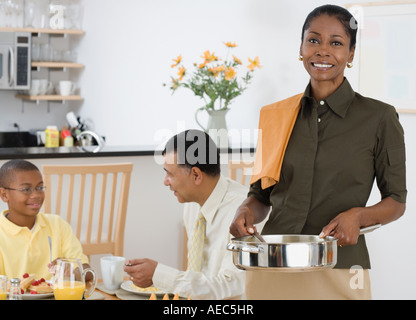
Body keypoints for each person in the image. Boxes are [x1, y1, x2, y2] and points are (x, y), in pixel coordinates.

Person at [230, 4, 406, 300]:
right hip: (272, 266)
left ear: (350, 55)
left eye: (336, 43)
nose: (323, 51)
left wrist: (358, 216)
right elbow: (261, 196)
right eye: (313, 40)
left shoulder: (380, 118)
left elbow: (396, 202)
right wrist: (244, 211)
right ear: (301, 48)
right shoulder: (275, 116)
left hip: (340, 268)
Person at [124, 129, 246, 299]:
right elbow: (198, 276)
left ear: (196, 175)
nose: (165, 181)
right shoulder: (193, 204)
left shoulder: (243, 215)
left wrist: (159, 275)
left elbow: (230, 289)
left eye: (170, 173)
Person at [0, 159, 91, 280]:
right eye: (26, 189)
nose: (36, 195)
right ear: (4, 195)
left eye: (40, 188)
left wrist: (73, 273)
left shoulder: (57, 224)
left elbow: (87, 271)